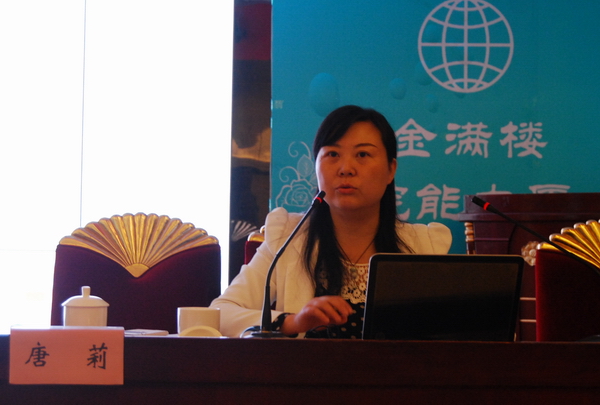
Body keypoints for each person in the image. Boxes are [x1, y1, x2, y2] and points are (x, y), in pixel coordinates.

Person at [211, 105, 452, 338]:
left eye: (363, 154)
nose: (346, 169)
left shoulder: (424, 245)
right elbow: (221, 313)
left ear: (391, 169)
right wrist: (292, 322)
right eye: (333, 154)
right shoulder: (287, 236)